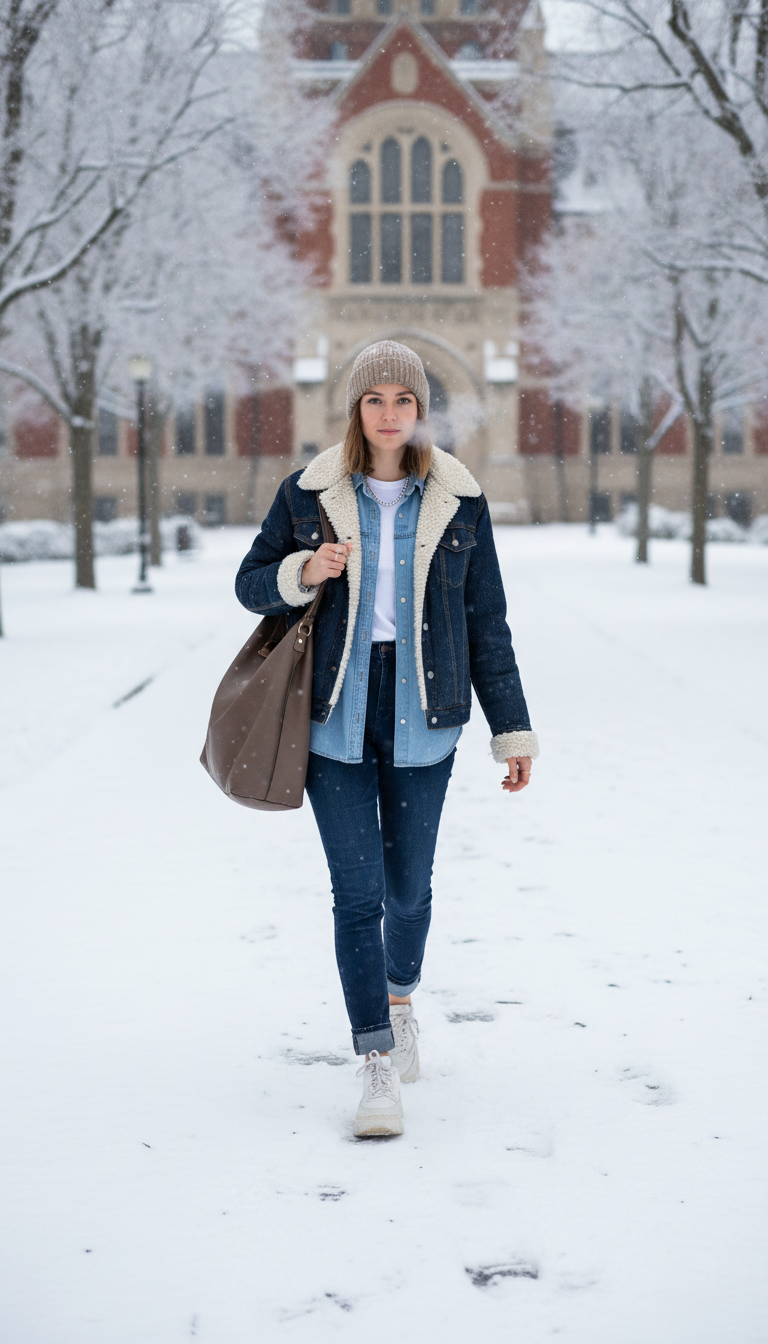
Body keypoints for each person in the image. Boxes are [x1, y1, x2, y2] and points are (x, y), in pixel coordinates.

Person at [235, 341, 539, 1138]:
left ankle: (401, 997)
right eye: (376, 399)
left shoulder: (457, 499)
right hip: (335, 716)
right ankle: (374, 1059)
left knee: (408, 891)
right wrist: (304, 567)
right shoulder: (308, 493)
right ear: (356, 409)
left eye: (404, 399)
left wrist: (511, 727)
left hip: (425, 713)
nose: (390, 413)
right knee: (357, 894)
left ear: (420, 410)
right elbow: (249, 582)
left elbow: (486, 622)